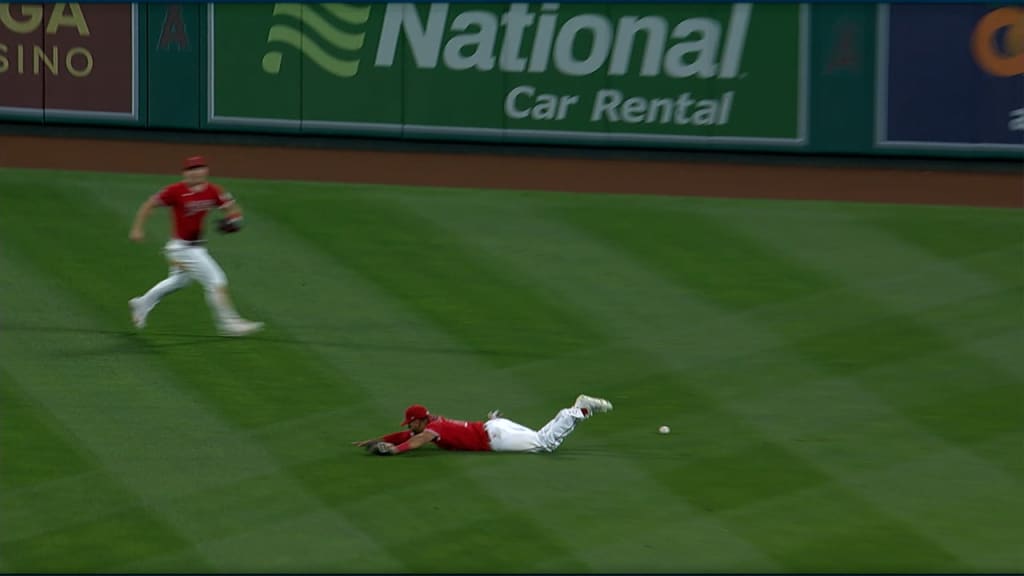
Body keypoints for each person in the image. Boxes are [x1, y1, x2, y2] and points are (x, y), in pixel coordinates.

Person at [128, 155, 264, 337]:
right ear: (185, 173)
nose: (196, 172)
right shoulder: (175, 191)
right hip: (182, 249)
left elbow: (232, 209)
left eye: (199, 168)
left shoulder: (213, 191)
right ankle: (229, 323)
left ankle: (142, 303)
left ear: (206, 171)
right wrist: (137, 229)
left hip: (196, 247)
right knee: (217, 280)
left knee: (179, 281)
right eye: (191, 169)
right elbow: (149, 205)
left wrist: (234, 220)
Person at [353, 394, 613, 455]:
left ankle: (579, 409)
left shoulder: (433, 430)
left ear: (422, 420)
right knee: (539, 436)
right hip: (495, 425)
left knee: (545, 444)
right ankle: (576, 409)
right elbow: (406, 433)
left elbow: (417, 439)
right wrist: (375, 439)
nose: (412, 427)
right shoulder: (435, 420)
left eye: (413, 423)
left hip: (497, 438)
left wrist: (394, 451)